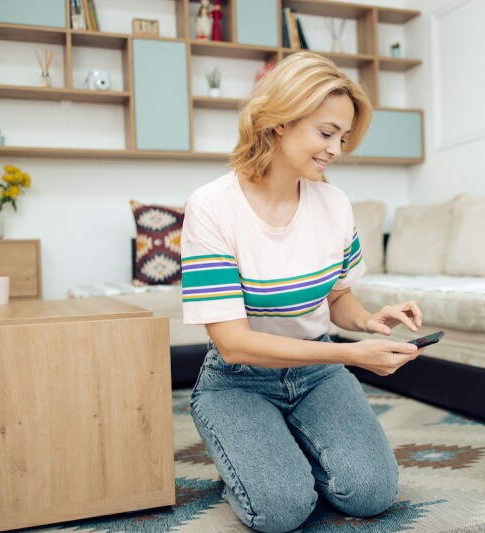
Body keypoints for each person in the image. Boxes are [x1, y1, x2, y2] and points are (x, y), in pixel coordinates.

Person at [181, 51, 425, 533]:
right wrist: (353, 357)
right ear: (279, 123)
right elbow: (232, 342)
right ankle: (256, 448)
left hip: (317, 373)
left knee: (371, 493)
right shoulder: (212, 207)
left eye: (343, 137)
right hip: (238, 381)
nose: (336, 149)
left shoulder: (334, 204)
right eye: (326, 133)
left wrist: (370, 320)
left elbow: (337, 299)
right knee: (281, 510)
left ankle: (281, 443)